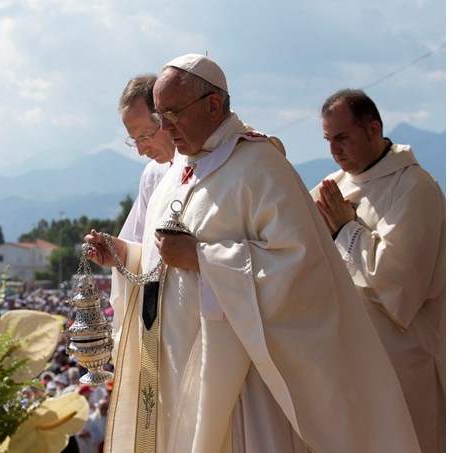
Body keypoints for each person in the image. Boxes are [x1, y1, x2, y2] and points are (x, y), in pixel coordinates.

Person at [84, 54, 421, 452]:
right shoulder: (176, 173)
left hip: (243, 380)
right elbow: (166, 260)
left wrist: (203, 258)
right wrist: (124, 254)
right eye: (162, 116)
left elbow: (300, 270)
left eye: (173, 113)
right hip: (179, 370)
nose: (166, 126)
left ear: (213, 105)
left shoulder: (259, 165)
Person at [310, 88, 445, 453]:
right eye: (328, 140)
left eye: (343, 138)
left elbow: (396, 281)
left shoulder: (415, 188)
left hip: (401, 365)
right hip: (346, 362)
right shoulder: (331, 188)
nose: (335, 151)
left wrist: (344, 229)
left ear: (373, 130)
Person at [117, 75, 177, 242]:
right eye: (135, 141)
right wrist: (116, 251)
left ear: (166, 119)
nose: (141, 151)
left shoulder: (210, 162)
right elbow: (138, 244)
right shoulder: (153, 174)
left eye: (145, 137)